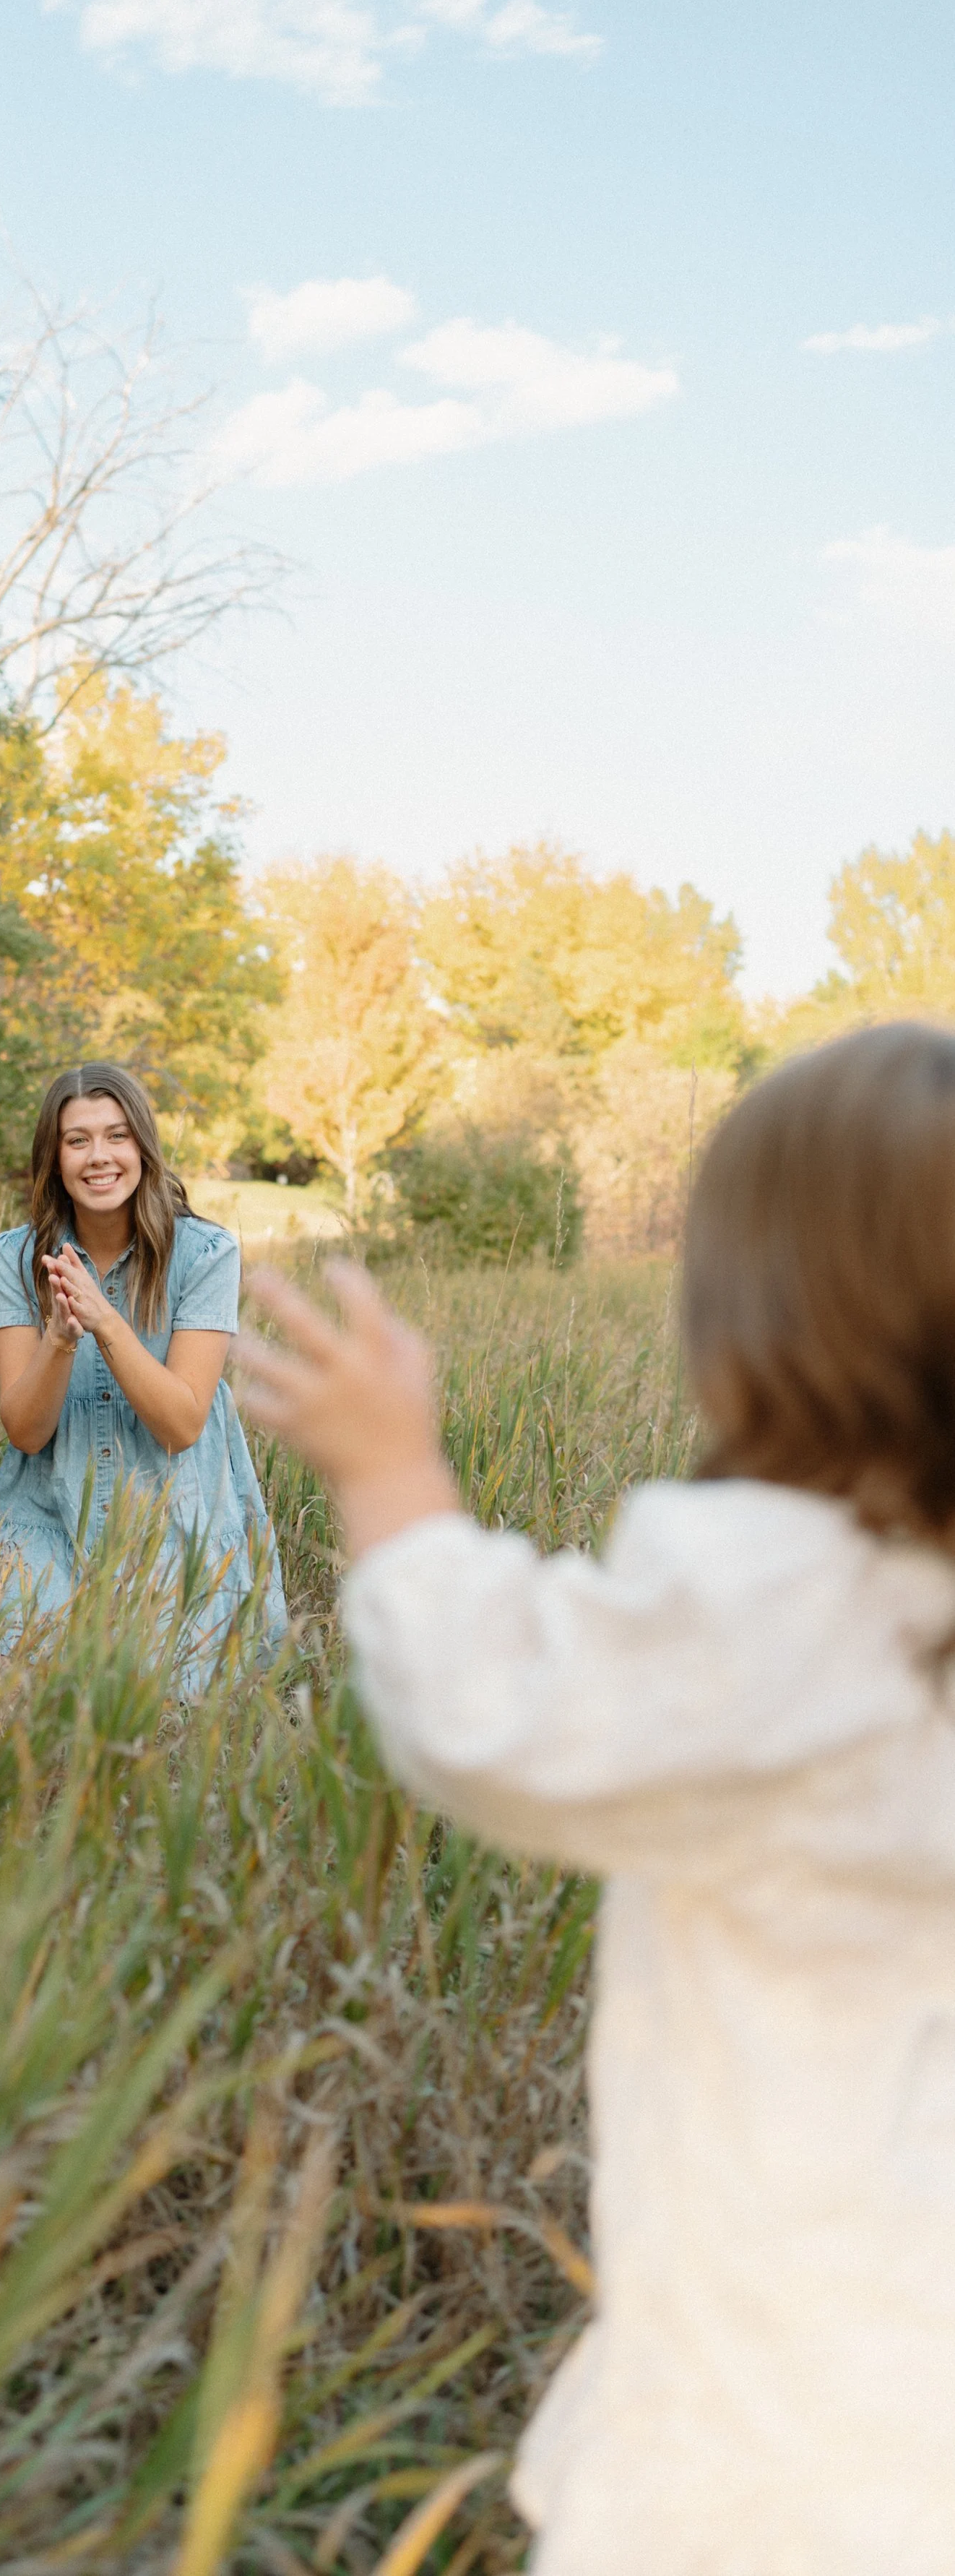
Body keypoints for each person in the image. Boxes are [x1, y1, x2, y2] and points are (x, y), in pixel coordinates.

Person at [233, 1020, 955, 2576]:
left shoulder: (784, 1602)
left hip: (796, 2394)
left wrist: (387, 1484)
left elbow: (494, 1713)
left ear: (765, 1313)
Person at [0, 1062, 287, 1668]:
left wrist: (105, 1321)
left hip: (174, 1503)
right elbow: (24, 1430)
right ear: (55, 1157)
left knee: (169, 1673)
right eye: (78, 1140)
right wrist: (61, 1341)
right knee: (36, 1671)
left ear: (143, 1148)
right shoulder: (14, 1258)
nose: (100, 1157)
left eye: (117, 1136)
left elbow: (180, 1425)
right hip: (48, 1505)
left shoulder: (206, 1254)